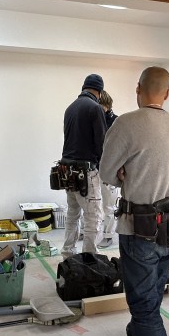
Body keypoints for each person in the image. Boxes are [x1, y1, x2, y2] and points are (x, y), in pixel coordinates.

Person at [100, 67, 169, 336]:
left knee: (144, 305)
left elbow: (107, 173)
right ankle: (136, 335)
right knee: (152, 291)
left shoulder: (126, 123)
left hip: (141, 227)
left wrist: (126, 173)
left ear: (138, 88)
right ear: (166, 93)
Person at [59, 73, 106, 255]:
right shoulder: (95, 108)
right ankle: (89, 258)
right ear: (99, 92)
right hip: (85, 172)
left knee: (73, 214)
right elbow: (102, 143)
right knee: (93, 217)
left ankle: (68, 253)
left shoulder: (70, 108)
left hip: (67, 170)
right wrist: (107, 170)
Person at [97, 91, 121, 249]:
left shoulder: (116, 122)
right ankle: (85, 231)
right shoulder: (93, 120)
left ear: (106, 106)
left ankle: (108, 236)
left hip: (110, 168)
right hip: (94, 166)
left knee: (109, 206)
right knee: (90, 204)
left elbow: (121, 148)